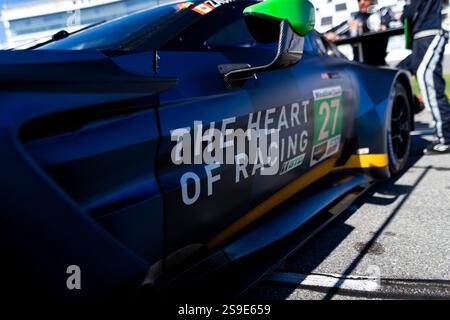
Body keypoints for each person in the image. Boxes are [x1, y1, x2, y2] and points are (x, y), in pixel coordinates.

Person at [402, 0, 450, 155]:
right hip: (421, 35)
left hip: (431, 32)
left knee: (429, 82)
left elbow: (408, 14)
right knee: (403, 72)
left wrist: (405, 11)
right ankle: (442, 134)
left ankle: (446, 139)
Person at [326, 0, 394, 66]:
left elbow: (381, 23)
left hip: (379, 64)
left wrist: (362, 27)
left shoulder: (382, 12)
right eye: (359, 0)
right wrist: (337, 36)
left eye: (365, 0)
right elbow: (329, 34)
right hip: (359, 66)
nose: (362, 3)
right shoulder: (354, 20)